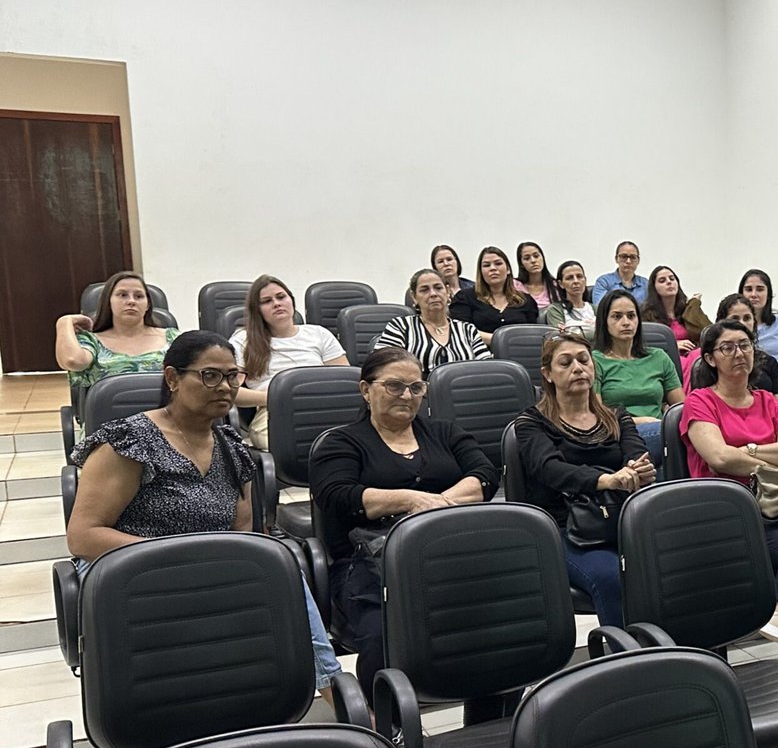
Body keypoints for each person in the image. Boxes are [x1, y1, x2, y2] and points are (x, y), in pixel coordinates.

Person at [67, 330, 341, 700]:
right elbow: (83, 536)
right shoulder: (130, 441)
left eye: (232, 376)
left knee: (284, 572)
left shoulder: (232, 449)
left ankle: (329, 691)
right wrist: (181, 559)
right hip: (132, 570)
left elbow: (243, 531)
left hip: (207, 567)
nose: (225, 387)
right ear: (172, 378)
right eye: (210, 376)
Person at [310, 347, 498, 698]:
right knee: (382, 634)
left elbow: (485, 475)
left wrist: (436, 504)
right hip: (369, 561)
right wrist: (411, 500)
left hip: (448, 552)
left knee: (500, 618)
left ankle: (489, 710)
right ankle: (387, 719)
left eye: (416, 387)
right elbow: (337, 494)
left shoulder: (445, 432)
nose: (407, 396)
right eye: (395, 386)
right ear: (366, 390)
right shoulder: (340, 442)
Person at [682, 318, 778, 645]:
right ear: (710, 358)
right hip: (729, 505)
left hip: (776, 500)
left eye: (745, 345)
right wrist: (771, 458)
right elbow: (720, 458)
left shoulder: (766, 400)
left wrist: (748, 450)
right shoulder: (700, 401)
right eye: (727, 348)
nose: (739, 353)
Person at [514, 335, 655, 627]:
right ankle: (629, 652)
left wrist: (637, 470)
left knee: (672, 561)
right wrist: (607, 480)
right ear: (547, 374)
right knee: (612, 577)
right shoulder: (531, 422)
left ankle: (675, 646)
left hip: (619, 518)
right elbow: (551, 469)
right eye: (565, 363)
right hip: (564, 527)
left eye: (583, 360)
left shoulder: (616, 415)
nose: (577, 368)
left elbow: (636, 452)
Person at [229, 275, 349, 447]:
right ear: (257, 310)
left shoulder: (319, 334)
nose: (276, 304)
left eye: (281, 297)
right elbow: (231, 391)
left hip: (325, 408)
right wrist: (278, 397)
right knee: (291, 447)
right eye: (267, 301)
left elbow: (346, 381)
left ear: (291, 301)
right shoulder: (243, 340)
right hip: (275, 411)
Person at [593, 288, 684, 466]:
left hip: (660, 430)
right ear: (604, 322)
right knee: (669, 435)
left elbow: (681, 408)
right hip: (619, 432)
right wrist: (642, 421)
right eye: (617, 317)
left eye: (631, 316)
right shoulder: (594, 361)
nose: (626, 322)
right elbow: (597, 415)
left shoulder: (658, 357)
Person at [55, 270, 179, 395]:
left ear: (147, 305)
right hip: (109, 407)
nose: (131, 301)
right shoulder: (92, 340)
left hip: (166, 407)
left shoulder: (172, 338)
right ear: (108, 302)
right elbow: (72, 361)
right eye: (123, 295)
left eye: (139, 296)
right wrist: (63, 322)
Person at [377, 270, 490, 375]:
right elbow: (380, 364)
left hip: (463, 387)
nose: (433, 294)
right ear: (414, 297)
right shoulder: (401, 326)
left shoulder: (468, 329)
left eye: (438, 288)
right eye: (424, 290)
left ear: (448, 292)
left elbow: (487, 368)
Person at [687, 295, 778, 397]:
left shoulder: (769, 363)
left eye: (747, 318)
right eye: (735, 318)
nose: (742, 323)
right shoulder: (701, 395)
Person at [738, 268, 778, 410]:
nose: (754, 294)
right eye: (748, 289)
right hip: (742, 383)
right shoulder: (733, 327)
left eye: (760, 289)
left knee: (770, 407)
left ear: (768, 294)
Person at [450, 246, 538, 339]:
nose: (493, 268)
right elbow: (462, 331)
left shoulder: (525, 300)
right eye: (486, 265)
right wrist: (498, 341)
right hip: (479, 347)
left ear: (508, 269)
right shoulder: (465, 298)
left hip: (519, 347)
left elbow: (533, 334)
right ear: (481, 272)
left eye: (498, 263)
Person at [639, 264, 703, 376]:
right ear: (654, 287)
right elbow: (643, 345)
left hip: (692, 358)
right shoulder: (645, 314)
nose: (669, 282)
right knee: (683, 362)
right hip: (664, 360)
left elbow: (707, 333)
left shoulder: (687, 310)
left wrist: (694, 305)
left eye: (672, 279)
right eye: (662, 280)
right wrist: (672, 346)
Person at [546, 261, 597, 335]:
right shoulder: (555, 310)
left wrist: (571, 332)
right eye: (569, 278)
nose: (576, 281)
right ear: (561, 284)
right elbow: (562, 338)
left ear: (585, 280)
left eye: (579, 276)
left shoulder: (596, 309)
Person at [589, 239, 646, 305]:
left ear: (638, 260)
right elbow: (601, 308)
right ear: (616, 259)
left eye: (633, 257)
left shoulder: (646, 284)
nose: (628, 261)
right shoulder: (604, 282)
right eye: (624, 257)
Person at [514, 240, 561, 310]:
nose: (533, 261)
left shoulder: (556, 286)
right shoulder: (515, 286)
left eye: (536, 256)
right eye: (527, 258)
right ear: (521, 264)